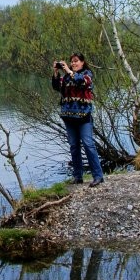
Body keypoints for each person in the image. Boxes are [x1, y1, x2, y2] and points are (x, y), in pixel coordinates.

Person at [52, 52, 104, 185]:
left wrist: (69, 71)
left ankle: (98, 176)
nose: (73, 63)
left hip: (84, 117)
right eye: (72, 62)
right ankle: (78, 176)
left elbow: (82, 82)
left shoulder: (87, 74)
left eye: (76, 61)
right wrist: (56, 73)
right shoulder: (66, 77)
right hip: (69, 117)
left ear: (82, 62)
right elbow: (57, 87)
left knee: (88, 144)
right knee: (74, 146)